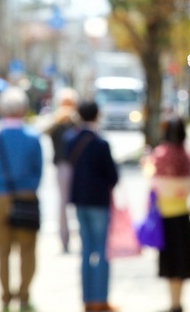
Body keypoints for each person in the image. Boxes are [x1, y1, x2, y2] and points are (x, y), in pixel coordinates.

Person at [0, 86, 43, 312]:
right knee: (27, 250)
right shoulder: (32, 137)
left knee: (2, 251)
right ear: (24, 109)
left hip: (0, 198)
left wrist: (0, 185)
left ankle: (5, 296)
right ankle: (24, 295)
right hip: (27, 197)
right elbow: (38, 170)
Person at [65, 101, 119, 312]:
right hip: (99, 202)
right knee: (101, 250)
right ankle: (101, 299)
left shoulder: (71, 140)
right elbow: (113, 176)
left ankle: (87, 300)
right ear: (97, 116)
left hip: (79, 200)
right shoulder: (100, 143)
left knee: (86, 250)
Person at [144, 117, 190, 312]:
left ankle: (174, 302)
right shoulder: (187, 155)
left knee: (170, 262)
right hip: (182, 214)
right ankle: (178, 302)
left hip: (165, 215)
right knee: (182, 262)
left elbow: (153, 184)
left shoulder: (160, 154)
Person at [43, 87, 79, 253]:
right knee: (63, 204)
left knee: (80, 204)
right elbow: (44, 132)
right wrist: (58, 119)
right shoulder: (56, 123)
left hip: (78, 166)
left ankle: (80, 237)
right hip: (62, 166)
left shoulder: (76, 123)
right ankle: (64, 238)